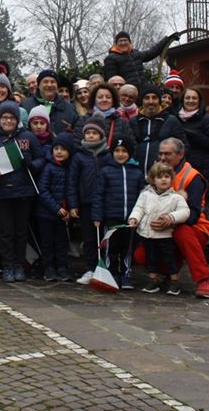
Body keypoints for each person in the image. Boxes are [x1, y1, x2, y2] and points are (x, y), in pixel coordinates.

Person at [133, 138, 209, 298]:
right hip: (162, 229)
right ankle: (168, 274)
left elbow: (193, 215)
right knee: (141, 254)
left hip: (193, 228)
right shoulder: (155, 172)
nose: (163, 157)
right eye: (160, 154)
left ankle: (204, 280)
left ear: (180, 154)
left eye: (167, 154)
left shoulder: (193, 177)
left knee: (182, 233)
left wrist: (170, 220)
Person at [0, 103, 44, 282]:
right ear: (0, 120)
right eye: (4, 118)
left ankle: (19, 265)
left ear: (17, 120)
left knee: (20, 231)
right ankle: (7, 265)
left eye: (12, 118)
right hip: (3, 193)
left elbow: (41, 158)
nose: (8, 121)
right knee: (5, 232)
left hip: (24, 191)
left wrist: (31, 165)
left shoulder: (28, 136)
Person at [90, 138, 146, 289]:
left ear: (130, 153)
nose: (120, 154)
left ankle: (126, 275)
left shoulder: (136, 172)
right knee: (111, 248)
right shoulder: (105, 171)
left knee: (127, 249)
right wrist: (97, 216)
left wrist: (140, 216)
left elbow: (143, 196)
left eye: (124, 151)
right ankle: (112, 274)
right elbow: (98, 195)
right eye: (117, 151)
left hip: (130, 220)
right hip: (111, 218)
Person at [129, 162, 190, 296]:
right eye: (159, 177)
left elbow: (185, 212)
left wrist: (171, 217)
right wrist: (134, 218)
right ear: (152, 179)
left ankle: (174, 282)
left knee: (169, 259)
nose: (163, 179)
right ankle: (153, 280)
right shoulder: (145, 195)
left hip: (165, 235)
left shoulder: (176, 197)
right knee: (151, 258)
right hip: (147, 234)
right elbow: (139, 208)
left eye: (167, 176)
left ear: (171, 179)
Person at [70, 116, 112, 285]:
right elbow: (72, 182)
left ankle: (106, 269)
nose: (91, 136)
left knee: (104, 237)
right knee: (89, 238)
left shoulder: (108, 155)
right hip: (86, 202)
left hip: (105, 203)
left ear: (101, 135)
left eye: (95, 133)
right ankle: (90, 268)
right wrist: (73, 204)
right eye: (88, 133)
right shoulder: (79, 156)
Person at [175, 87, 209, 219]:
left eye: (194, 98)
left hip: (203, 171)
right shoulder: (175, 119)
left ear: (199, 101)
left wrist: (196, 136)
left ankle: (207, 232)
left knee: (204, 210)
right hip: (180, 171)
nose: (191, 101)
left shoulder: (206, 119)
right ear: (182, 100)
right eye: (187, 98)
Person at [36, 133, 75, 281]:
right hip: (47, 213)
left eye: (63, 149)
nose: (59, 152)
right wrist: (56, 208)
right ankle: (49, 268)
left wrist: (70, 208)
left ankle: (62, 267)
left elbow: (71, 190)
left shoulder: (71, 169)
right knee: (47, 242)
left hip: (64, 214)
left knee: (62, 242)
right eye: (56, 148)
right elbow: (42, 190)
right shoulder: (49, 168)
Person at [129, 84, 187, 171]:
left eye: (154, 98)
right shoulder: (133, 122)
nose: (151, 101)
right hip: (137, 174)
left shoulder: (171, 121)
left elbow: (182, 147)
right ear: (142, 101)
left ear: (159, 100)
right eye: (147, 98)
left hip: (163, 174)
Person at [103, 30, 180, 87]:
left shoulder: (136, 54)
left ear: (130, 42)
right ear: (116, 44)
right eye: (120, 41)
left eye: (125, 40)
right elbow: (112, 80)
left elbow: (152, 52)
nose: (123, 43)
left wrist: (168, 39)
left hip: (142, 87)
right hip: (127, 91)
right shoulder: (111, 58)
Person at [74, 83, 135, 149]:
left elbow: (131, 145)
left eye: (108, 97)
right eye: (100, 97)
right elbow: (76, 143)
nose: (104, 100)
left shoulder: (122, 122)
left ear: (113, 100)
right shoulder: (83, 120)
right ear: (94, 100)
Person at [22, 70, 78, 135]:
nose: (49, 85)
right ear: (39, 85)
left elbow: (77, 133)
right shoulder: (26, 105)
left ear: (57, 86)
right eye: (45, 82)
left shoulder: (69, 108)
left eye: (53, 82)